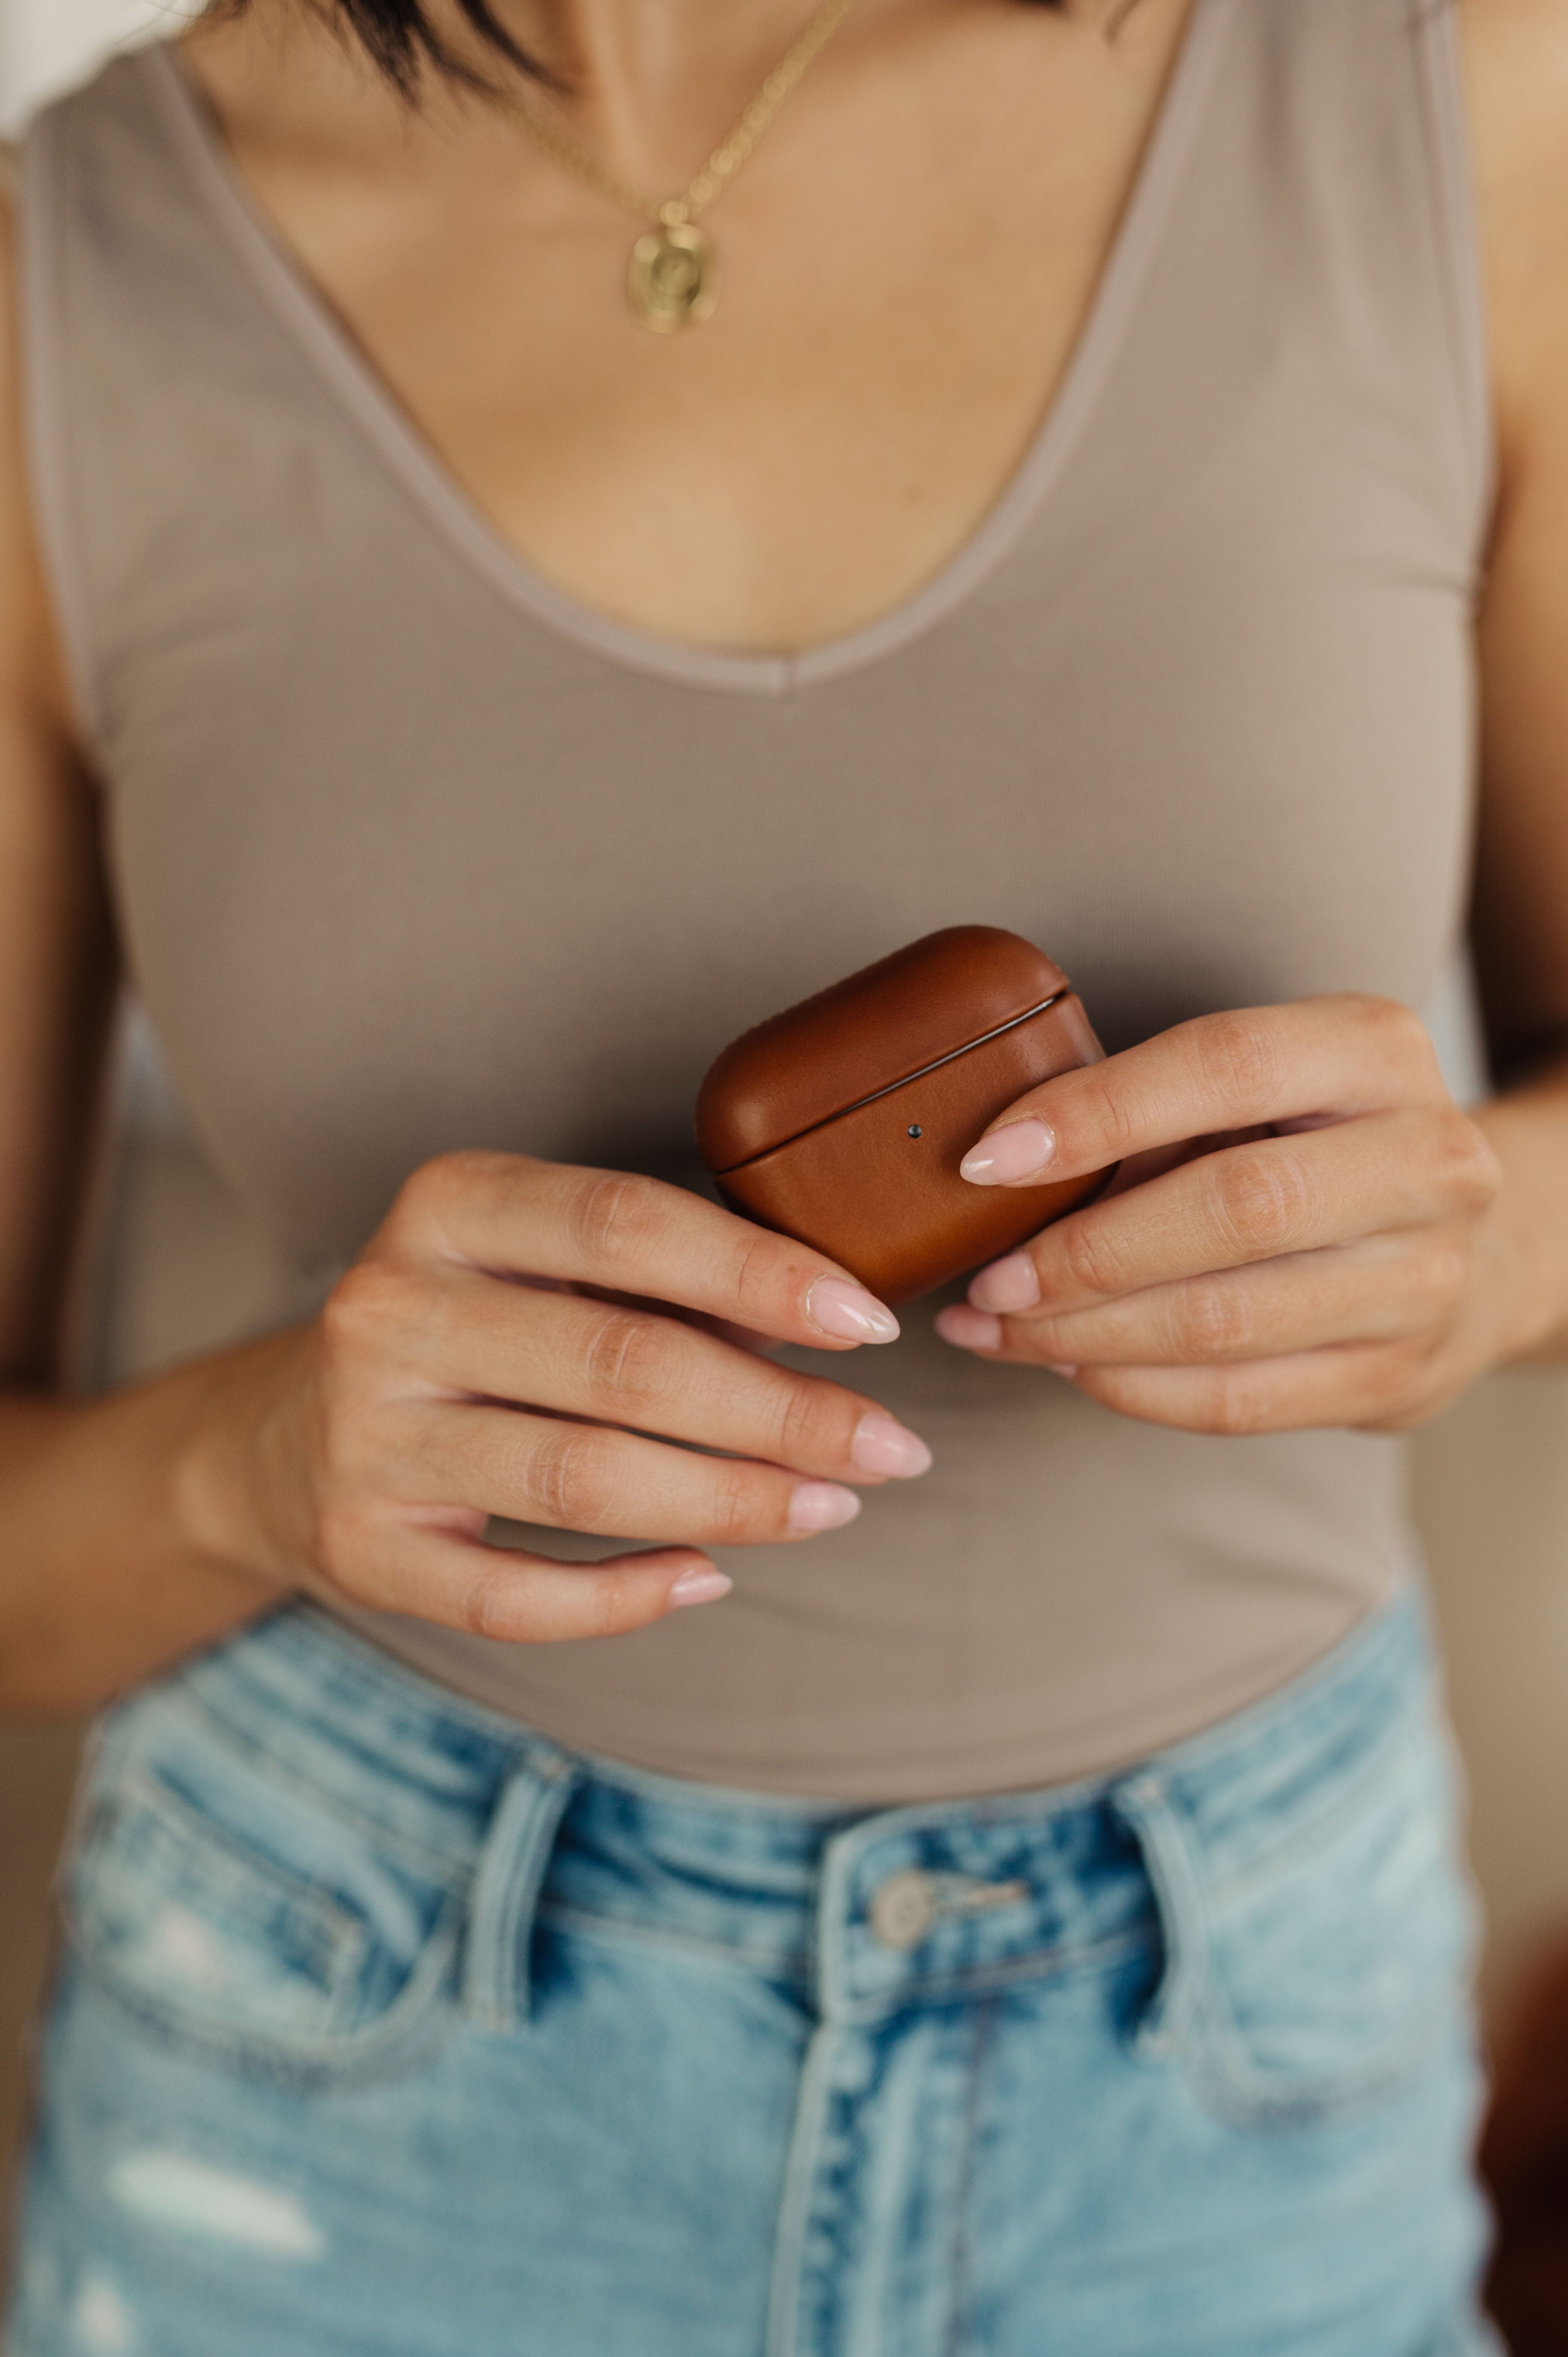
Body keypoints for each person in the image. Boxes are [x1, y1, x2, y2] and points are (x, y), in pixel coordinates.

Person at [2, 0, 1566, 2344]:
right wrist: (260, 1459)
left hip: (1242, 2062)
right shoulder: (63, 291)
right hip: (358, 2085)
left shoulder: (1468, 104)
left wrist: (1504, 1230)